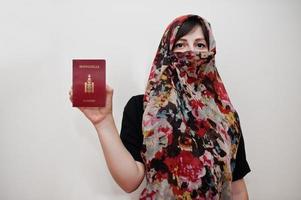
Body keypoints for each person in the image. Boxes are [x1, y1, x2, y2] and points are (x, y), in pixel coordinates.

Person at [69, 14, 251, 200]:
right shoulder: (142, 108)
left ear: (211, 52)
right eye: (180, 45)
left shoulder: (225, 115)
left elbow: (237, 189)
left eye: (200, 45)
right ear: (167, 52)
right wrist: (103, 122)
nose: (190, 52)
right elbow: (129, 181)